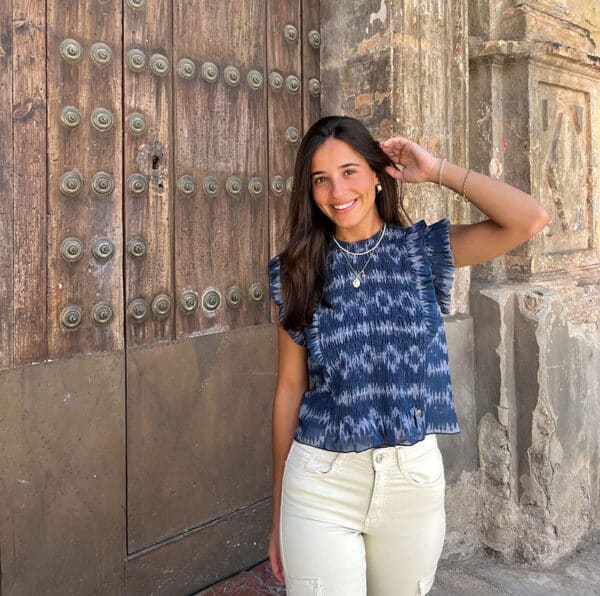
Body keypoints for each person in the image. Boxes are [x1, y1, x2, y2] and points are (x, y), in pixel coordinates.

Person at [267, 115, 549, 596]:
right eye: (321, 179)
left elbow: (528, 219)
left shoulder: (422, 251)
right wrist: (277, 513)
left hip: (409, 482)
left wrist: (436, 168)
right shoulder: (296, 269)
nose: (337, 190)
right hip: (319, 483)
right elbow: (290, 388)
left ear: (378, 175)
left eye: (350, 171)